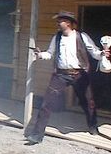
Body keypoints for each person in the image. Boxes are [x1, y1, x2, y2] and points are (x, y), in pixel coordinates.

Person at [26, 11, 110, 145]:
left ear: (69, 23)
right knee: (46, 103)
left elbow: (94, 52)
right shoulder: (57, 37)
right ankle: (36, 135)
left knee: (88, 102)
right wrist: (40, 55)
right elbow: (50, 53)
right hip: (60, 75)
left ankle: (93, 126)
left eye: (60, 21)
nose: (58, 23)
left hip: (79, 74)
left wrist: (102, 53)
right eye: (58, 21)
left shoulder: (81, 36)